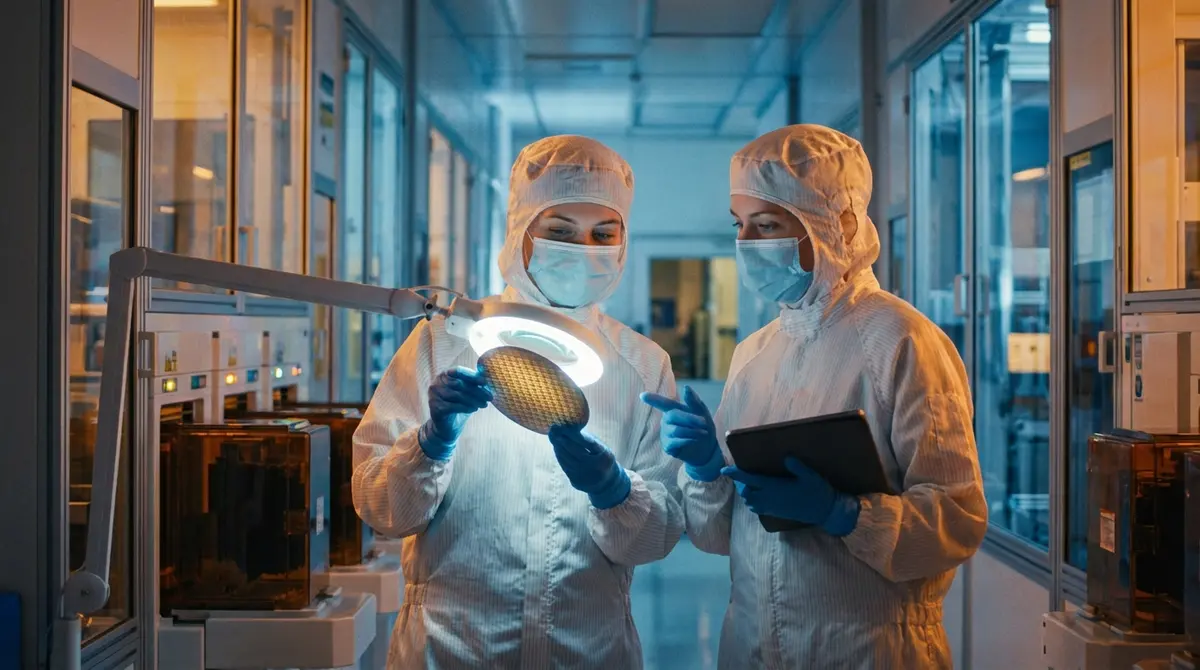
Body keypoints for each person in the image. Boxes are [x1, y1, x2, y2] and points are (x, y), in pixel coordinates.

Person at [642, 124, 987, 668]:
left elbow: (957, 521)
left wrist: (844, 514)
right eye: (741, 226)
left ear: (838, 223)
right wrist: (708, 469)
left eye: (769, 225)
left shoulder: (901, 339)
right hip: (754, 643)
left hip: (870, 649)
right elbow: (713, 537)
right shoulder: (756, 352)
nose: (749, 245)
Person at [352, 135, 684, 669]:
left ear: (624, 242)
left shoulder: (641, 366)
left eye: (604, 233)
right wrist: (432, 442)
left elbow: (654, 539)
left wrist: (613, 490)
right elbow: (382, 511)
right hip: (451, 649)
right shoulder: (447, 340)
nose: (583, 249)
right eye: (559, 231)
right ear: (521, 233)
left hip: (587, 650)